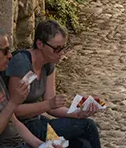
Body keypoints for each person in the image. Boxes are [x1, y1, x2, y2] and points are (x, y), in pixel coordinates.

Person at [6, 20, 102, 148]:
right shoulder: (22, 63)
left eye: (63, 48)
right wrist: (48, 104)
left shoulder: (49, 63)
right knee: (88, 126)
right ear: (40, 44)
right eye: (57, 48)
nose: (61, 53)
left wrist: (77, 113)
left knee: (82, 142)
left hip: (37, 121)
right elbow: (14, 110)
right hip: (23, 126)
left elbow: (52, 107)